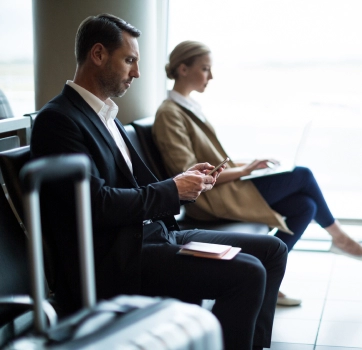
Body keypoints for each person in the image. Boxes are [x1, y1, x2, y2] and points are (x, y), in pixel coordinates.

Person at [30, 14, 287, 350]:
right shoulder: (58, 120)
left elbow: (134, 186)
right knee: (249, 272)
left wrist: (183, 182)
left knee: (272, 250)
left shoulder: (105, 114)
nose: (136, 72)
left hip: (154, 234)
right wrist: (172, 190)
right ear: (97, 55)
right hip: (122, 255)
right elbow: (95, 204)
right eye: (129, 60)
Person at [153, 41, 362, 306]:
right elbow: (189, 173)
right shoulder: (170, 113)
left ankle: (269, 278)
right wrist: (243, 171)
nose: (210, 76)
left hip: (224, 188)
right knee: (303, 175)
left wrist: (248, 164)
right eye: (205, 69)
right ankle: (339, 237)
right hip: (209, 198)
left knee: (304, 206)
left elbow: (210, 161)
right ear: (182, 69)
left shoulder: (187, 107)